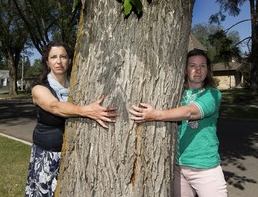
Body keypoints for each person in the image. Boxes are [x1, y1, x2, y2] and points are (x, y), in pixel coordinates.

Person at [25, 40, 118, 197]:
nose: (59, 61)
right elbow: (55, 106)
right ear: (47, 62)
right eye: (53, 57)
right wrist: (85, 111)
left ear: (69, 60)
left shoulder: (79, 88)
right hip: (47, 157)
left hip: (73, 156)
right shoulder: (39, 89)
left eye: (63, 56)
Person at [129, 49, 227, 197]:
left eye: (203, 65)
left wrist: (155, 114)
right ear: (185, 69)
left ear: (208, 69)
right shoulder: (175, 92)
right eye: (192, 65)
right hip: (178, 167)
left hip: (205, 168)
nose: (198, 70)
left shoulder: (213, 94)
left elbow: (191, 112)